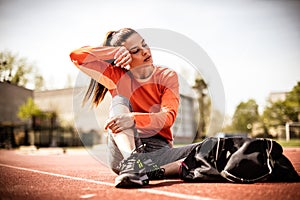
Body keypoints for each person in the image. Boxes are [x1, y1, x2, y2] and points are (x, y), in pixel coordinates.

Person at [70, 28, 198, 188]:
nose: (145, 51)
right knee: (119, 99)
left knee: (209, 147)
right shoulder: (116, 76)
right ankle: (133, 162)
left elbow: (168, 117)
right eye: (136, 50)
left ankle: (154, 170)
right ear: (122, 58)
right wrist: (111, 52)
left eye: (144, 44)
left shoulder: (166, 76)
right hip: (123, 156)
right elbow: (76, 55)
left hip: (158, 150)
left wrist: (132, 119)